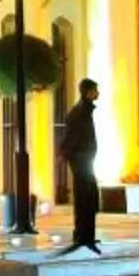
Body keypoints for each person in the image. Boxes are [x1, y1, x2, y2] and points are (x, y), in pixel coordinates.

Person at [61, 78, 104, 252]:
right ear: (88, 92)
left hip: (85, 161)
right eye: (95, 90)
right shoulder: (80, 112)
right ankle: (83, 235)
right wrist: (67, 154)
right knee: (84, 197)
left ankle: (87, 235)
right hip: (81, 162)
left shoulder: (84, 110)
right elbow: (72, 137)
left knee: (89, 197)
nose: (98, 93)